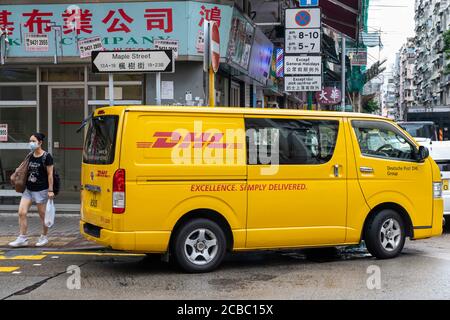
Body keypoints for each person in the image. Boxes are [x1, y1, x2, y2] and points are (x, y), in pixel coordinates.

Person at [9, 133, 54, 248]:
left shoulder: (46, 157)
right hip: (28, 190)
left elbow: (50, 175)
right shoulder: (30, 155)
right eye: (30, 141)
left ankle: (44, 237)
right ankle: (22, 238)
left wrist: (50, 190)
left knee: (43, 215)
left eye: (33, 141)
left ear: (40, 142)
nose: (31, 143)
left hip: (41, 190)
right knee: (21, 212)